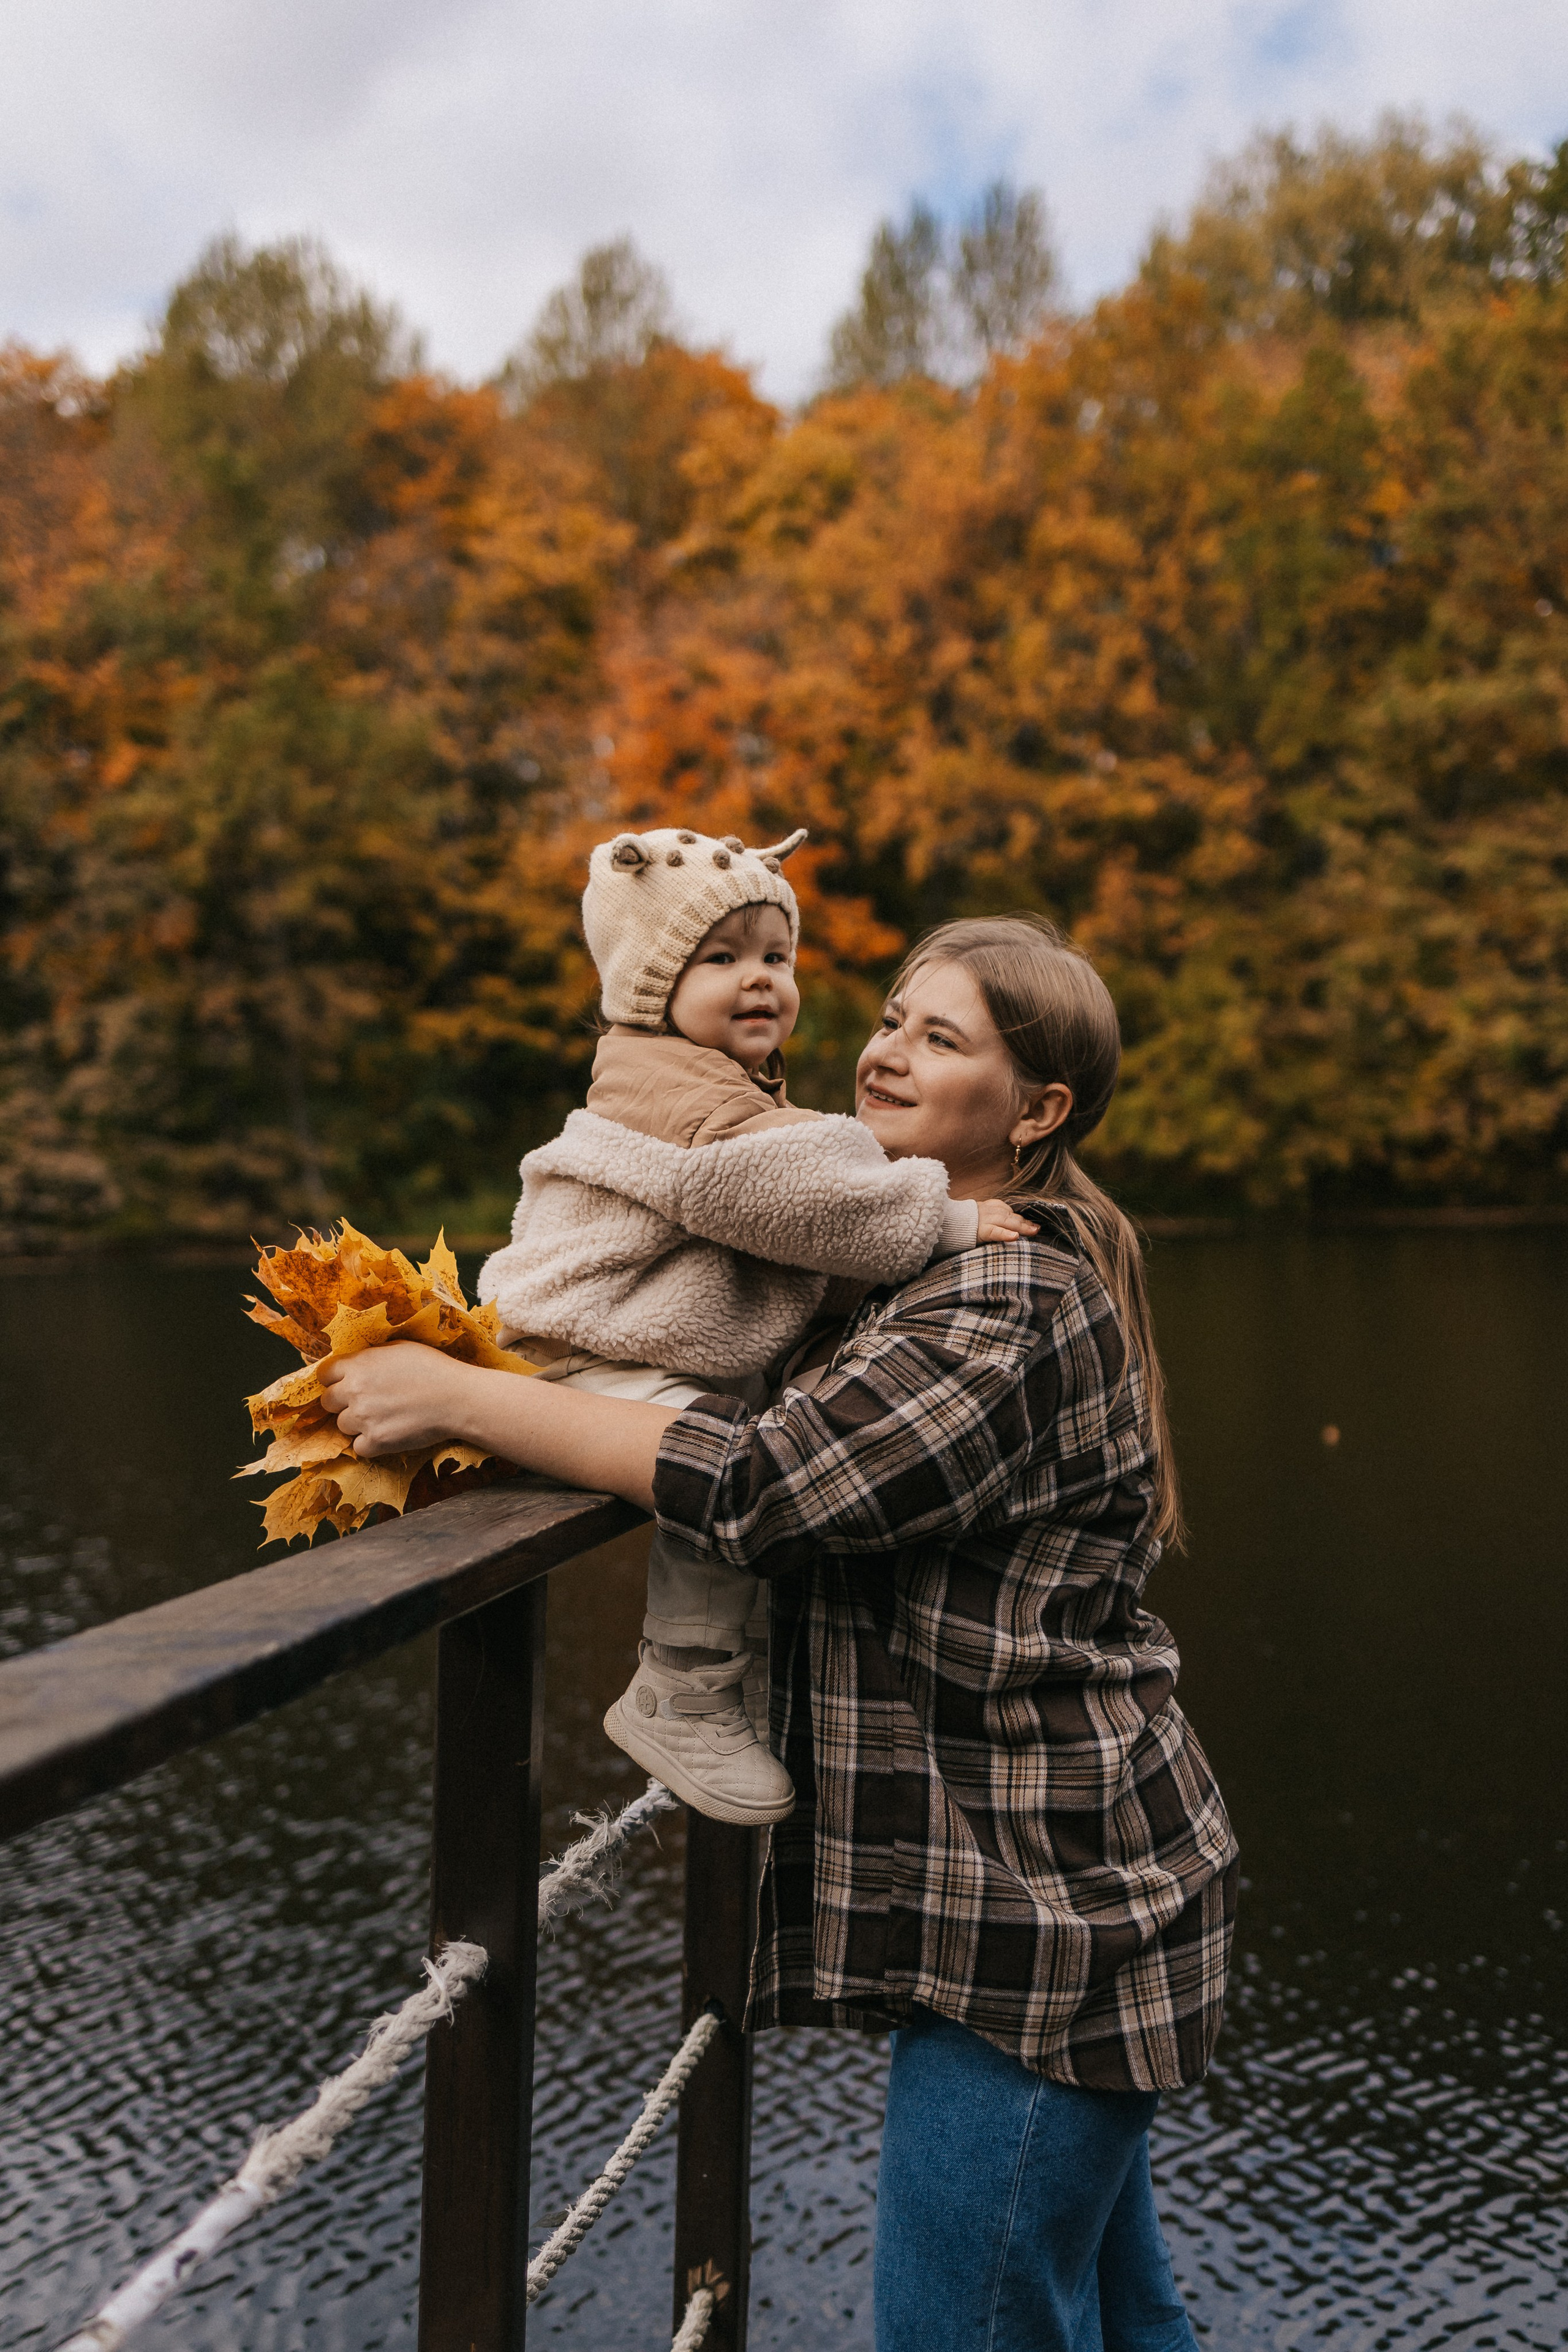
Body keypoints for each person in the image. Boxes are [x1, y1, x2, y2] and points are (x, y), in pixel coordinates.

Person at [322, 911, 1238, 2352]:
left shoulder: (1006, 1293)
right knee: (1120, 2323)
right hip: (1040, 1894)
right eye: (885, 1018)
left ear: (1039, 1107)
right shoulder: (913, 1260)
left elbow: (771, 1481)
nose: (883, 1051)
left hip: (1046, 1920)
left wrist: (464, 1400)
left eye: (941, 1038)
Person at [473, 823, 1036, 1828]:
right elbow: (806, 1197)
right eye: (722, 958)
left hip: (618, 1336)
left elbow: (783, 1219)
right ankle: (681, 1689)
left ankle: (697, 1677)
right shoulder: (680, 1092)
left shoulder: (707, 1080)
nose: (762, 980)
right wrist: (946, 1220)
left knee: (726, 1435)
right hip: (577, 1344)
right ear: (651, 986)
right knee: (714, 1454)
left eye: (776, 956)